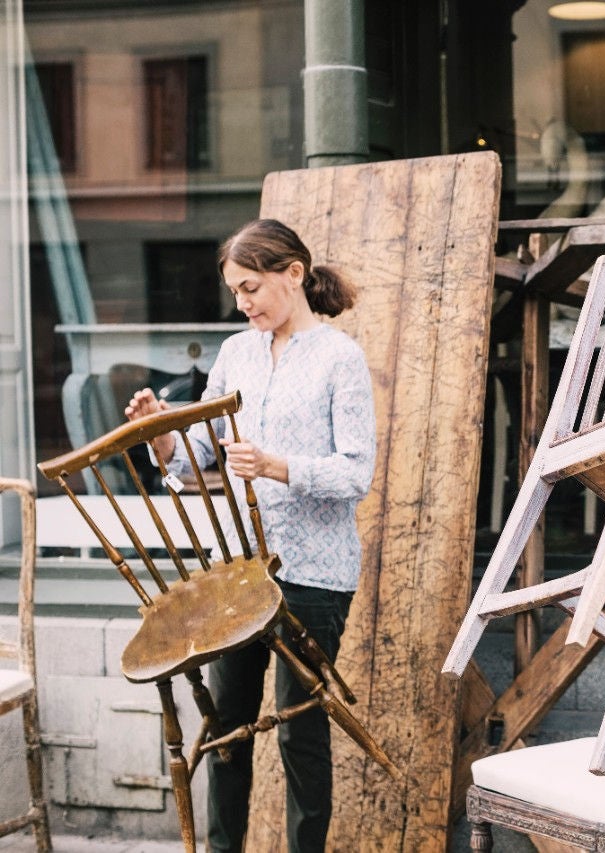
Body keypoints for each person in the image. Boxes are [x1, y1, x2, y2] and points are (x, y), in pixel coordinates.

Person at [124, 218, 375, 853]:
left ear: (293, 274)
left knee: (300, 732)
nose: (243, 302)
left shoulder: (340, 358)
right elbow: (191, 459)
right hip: (238, 572)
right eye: (235, 291)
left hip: (314, 573)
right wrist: (160, 432)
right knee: (228, 723)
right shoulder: (236, 353)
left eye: (251, 287)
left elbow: (356, 473)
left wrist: (274, 466)